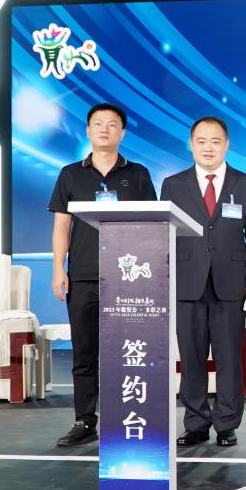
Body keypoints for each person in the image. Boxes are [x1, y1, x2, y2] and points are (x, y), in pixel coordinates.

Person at [48, 102, 157, 447]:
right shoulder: (70, 174)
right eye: (98, 123)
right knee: (84, 352)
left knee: (127, 352)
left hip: (127, 277)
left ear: (122, 133)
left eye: (112, 124)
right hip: (82, 275)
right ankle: (84, 421)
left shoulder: (138, 174)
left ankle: (126, 418)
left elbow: (151, 225)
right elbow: (61, 226)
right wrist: (58, 269)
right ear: (88, 130)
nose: (105, 129)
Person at [160, 116, 246, 448]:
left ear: (226, 145)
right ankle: (196, 423)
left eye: (215, 141)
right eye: (201, 141)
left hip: (231, 282)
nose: (208, 148)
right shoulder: (173, 184)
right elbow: (164, 235)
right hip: (186, 280)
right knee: (191, 358)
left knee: (229, 357)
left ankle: (227, 424)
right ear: (190, 144)